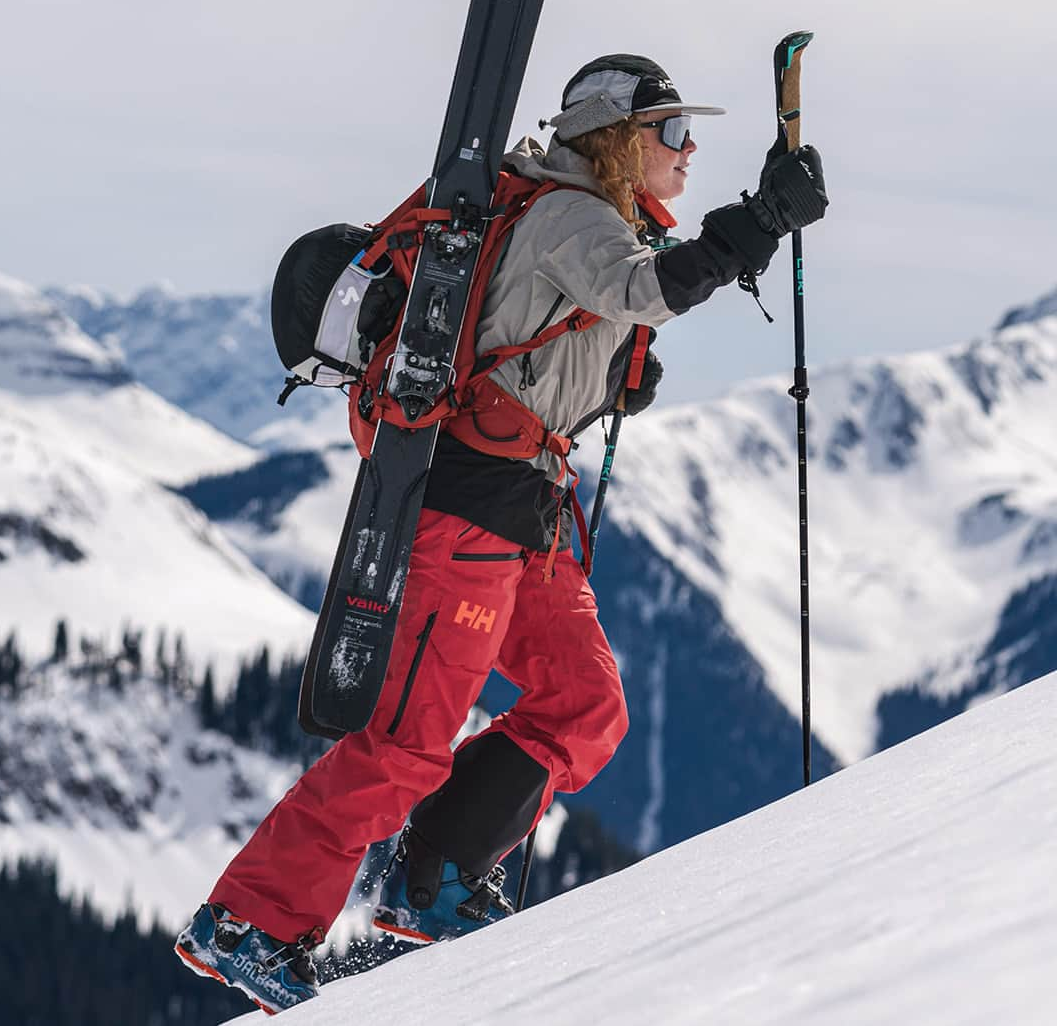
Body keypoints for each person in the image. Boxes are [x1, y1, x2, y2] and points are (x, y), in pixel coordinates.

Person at [174, 53, 829, 1013]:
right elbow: (652, 291)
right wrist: (762, 219)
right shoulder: (571, 213)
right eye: (673, 132)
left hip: (530, 509)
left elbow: (602, 316)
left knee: (584, 703)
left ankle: (432, 877)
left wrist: (612, 375)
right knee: (404, 744)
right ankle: (250, 923)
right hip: (470, 507)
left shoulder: (590, 222)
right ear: (617, 139)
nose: (688, 152)